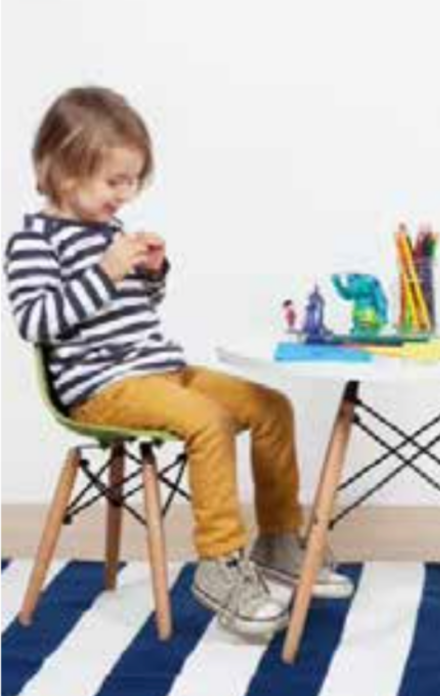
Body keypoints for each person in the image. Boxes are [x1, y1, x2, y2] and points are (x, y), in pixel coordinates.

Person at [3, 86, 353, 639]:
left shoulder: (110, 233)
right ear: (65, 170)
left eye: (133, 180)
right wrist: (106, 272)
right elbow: (37, 322)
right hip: (102, 387)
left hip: (160, 369)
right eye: (114, 181)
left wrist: (151, 275)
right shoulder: (33, 242)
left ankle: (278, 542)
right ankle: (220, 564)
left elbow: (134, 311)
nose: (127, 193)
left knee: (270, 407)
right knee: (207, 421)